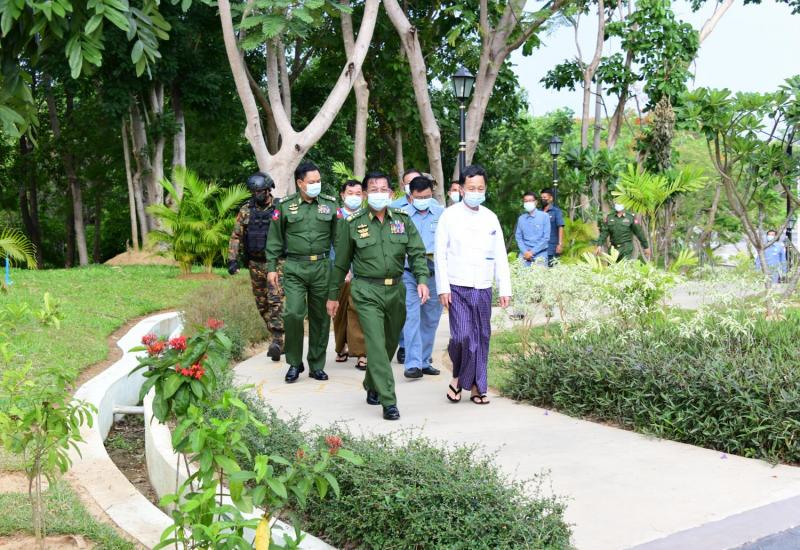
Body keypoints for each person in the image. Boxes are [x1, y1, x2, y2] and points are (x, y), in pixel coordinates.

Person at [327, 171, 430, 420]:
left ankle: (372, 383)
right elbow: (341, 263)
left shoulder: (402, 220)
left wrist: (422, 280)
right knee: (375, 343)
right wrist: (333, 296)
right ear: (365, 194)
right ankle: (388, 400)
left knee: (389, 344)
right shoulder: (352, 224)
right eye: (374, 190)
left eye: (384, 189)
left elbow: (417, 252)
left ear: (392, 193)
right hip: (366, 290)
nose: (379, 194)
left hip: (396, 290)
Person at [435, 164, 512, 406]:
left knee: (482, 336)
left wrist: (505, 287)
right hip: (457, 286)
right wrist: (443, 287)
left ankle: (478, 386)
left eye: (480, 188)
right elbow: (440, 254)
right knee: (463, 337)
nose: (476, 192)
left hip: (483, 286)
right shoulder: (449, 216)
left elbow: (500, 254)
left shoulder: (490, 217)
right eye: (471, 188)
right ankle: (458, 377)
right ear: (461, 189)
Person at [266, 161, 338, 383]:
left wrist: (342, 269)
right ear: (300, 183)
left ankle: (316, 365)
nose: (317, 185)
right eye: (312, 181)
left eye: (319, 181)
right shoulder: (285, 206)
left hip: (322, 267)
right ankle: (295, 362)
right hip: (295, 267)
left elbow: (340, 240)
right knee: (293, 314)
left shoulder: (330, 205)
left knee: (320, 318)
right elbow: (275, 238)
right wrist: (271, 268)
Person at [227, 172, 284, 362]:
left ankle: (278, 340)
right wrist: (232, 259)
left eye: (260, 191)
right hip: (255, 263)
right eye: (254, 191)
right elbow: (236, 236)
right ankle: (278, 338)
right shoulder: (246, 210)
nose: (257, 194)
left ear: (268, 190)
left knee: (275, 300)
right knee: (262, 304)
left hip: (276, 263)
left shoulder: (279, 207)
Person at [401, 175, 444, 379]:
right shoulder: (401, 216)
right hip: (408, 273)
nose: (423, 200)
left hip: (434, 273)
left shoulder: (441, 214)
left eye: (427, 196)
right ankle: (413, 363)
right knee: (411, 317)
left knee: (430, 319)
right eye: (419, 197)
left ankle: (425, 361)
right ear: (411, 196)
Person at [332, 179, 367, 370]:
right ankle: (341, 347)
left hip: (362, 273)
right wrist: (340, 268)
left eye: (358, 194)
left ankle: (361, 353)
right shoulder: (335, 217)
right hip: (339, 272)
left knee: (359, 311)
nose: (354, 197)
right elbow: (330, 245)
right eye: (350, 193)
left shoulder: (367, 216)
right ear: (342, 195)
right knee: (339, 312)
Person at [514, 191, 550, 266]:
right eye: (525, 201)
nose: (528, 203)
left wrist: (532, 252)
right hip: (524, 254)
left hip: (540, 253)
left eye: (530, 201)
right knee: (519, 272)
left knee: (540, 273)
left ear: (536, 202)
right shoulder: (521, 218)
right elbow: (518, 237)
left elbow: (546, 238)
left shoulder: (544, 216)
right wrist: (525, 252)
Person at [540, 188, 565, 267]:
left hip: (552, 247)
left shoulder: (556, 211)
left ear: (551, 198)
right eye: (541, 197)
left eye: (545, 197)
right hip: (539, 247)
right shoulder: (538, 212)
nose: (543, 199)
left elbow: (560, 227)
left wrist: (560, 244)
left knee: (552, 269)